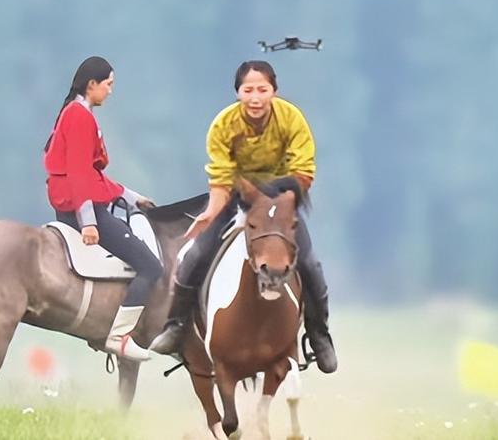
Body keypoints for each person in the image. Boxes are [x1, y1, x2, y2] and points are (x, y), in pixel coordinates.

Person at [150, 60, 337, 373]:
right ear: (237, 93)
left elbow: (303, 172)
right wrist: (211, 212)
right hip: (240, 199)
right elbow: (221, 178)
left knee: (309, 265)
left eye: (262, 89)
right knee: (196, 256)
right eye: (248, 89)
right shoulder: (223, 125)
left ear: (273, 91)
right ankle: (176, 326)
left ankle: (319, 335)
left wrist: (279, 198)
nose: (255, 97)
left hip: (282, 203)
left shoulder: (292, 119)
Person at [44, 56, 162, 362]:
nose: (110, 91)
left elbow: (91, 175)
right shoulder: (80, 117)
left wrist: (132, 197)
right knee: (151, 268)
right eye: (108, 85)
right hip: (85, 210)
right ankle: (119, 335)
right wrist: (89, 222)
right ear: (92, 85)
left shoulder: (73, 113)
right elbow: (80, 174)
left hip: (77, 204)